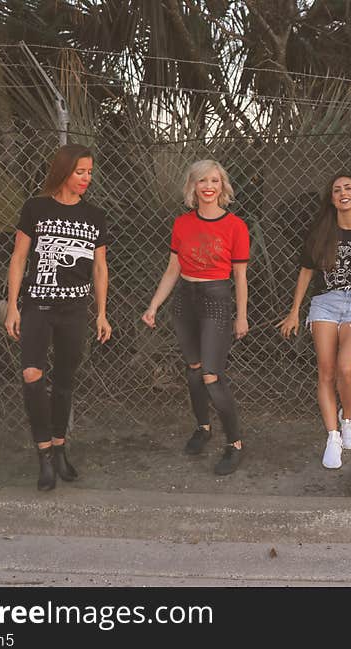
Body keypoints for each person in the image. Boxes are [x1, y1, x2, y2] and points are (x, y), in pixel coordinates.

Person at [4, 143, 112, 491]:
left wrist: (102, 314)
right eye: (81, 172)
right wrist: (12, 305)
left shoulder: (94, 215)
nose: (86, 178)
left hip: (75, 310)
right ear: (64, 171)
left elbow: (99, 267)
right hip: (37, 306)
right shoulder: (36, 208)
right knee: (32, 375)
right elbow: (19, 258)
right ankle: (44, 455)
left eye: (90, 172)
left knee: (64, 380)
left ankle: (61, 448)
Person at [142, 160, 250, 476]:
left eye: (215, 181)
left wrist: (241, 316)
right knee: (193, 370)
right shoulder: (182, 224)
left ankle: (236, 444)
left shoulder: (235, 226)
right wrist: (153, 306)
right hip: (184, 301)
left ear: (222, 187)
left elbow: (240, 277)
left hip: (216, 300)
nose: (208, 186)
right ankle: (203, 428)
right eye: (202, 180)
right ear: (193, 185)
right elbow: (173, 268)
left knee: (211, 376)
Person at [277, 173, 351, 469]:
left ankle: (347, 417)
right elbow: (306, 272)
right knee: (326, 372)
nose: (342, 193)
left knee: (346, 368)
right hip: (324, 303)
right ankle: (333, 436)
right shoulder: (320, 231)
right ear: (332, 199)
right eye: (337, 190)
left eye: (348, 188)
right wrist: (294, 311)